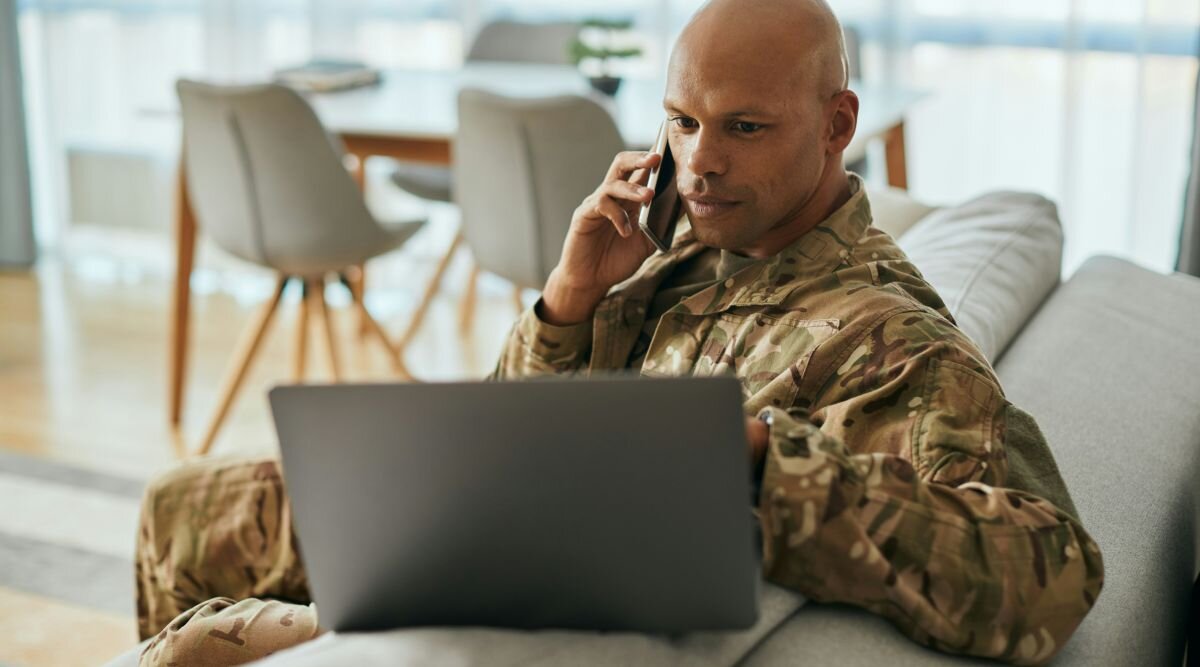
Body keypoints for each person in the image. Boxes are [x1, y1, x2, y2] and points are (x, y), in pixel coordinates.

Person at [135, 0, 1104, 664]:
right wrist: (568, 304)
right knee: (179, 505)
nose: (701, 162)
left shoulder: (891, 338)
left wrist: (763, 462)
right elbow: (508, 424)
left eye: (744, 128)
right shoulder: (678, 252)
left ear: (836, 121)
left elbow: (1046, 577)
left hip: (529, 573)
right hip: (497, 512)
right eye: (681, 121)